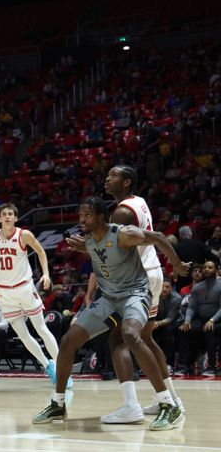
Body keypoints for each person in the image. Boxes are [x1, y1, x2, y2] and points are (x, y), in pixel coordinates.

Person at [33, 197, 189, 431]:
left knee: (130, 335)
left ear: (100, 217)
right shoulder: (88, 240)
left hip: (135, 293)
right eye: (80, 216)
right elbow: (100, 252)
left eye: (87, 215)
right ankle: (58, 403)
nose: (81, 220)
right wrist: (83, 247)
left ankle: (169, 404)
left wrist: (176, 264)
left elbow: (158, 237)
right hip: (109, 298)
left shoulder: (123, 234)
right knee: (67, 341)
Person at [79, 165, 184, 423]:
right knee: (146, 338)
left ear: (127, 181)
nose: (107, 178)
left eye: (113, 175)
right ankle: (172, 400)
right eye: (107, 174)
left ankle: (132, 406)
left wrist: (85, 248)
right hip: (152, 272)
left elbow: (108, 249)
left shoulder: (122, 212)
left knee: (118, 340)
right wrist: (177, 264)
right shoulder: (139, 202)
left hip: (136, 280)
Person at [0, 203, 66, 385]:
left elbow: (41, 252)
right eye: (4, 214)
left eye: (11, 214)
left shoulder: (24, 235)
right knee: (23, 335)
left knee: (41, 329)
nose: (7, 216)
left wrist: (46, 274)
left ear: (16, 218)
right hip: (4, 293)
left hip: (25, 288)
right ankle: (47, 366)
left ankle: (62, 368)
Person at [177, 260, 221, 376]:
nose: (206, 269)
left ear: (216, 270)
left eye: (210, 268)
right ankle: (184, 365)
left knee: (210, 329)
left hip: (217, 319)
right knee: (184, 329)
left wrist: (212, 320)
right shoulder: (197, 288)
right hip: (201, 319)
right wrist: (187, 320)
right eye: (205, 267)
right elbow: (191, 307)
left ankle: (212, 366)